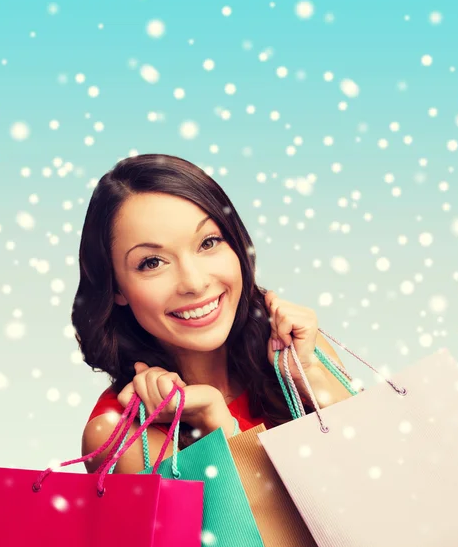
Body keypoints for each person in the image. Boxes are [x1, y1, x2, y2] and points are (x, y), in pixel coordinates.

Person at [75, 154, 353, 474]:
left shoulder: (301, 354)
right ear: (116, 289)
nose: (194, 282)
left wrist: (309, 374)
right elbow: (258, 524)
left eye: (208, 242)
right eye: (152, 262)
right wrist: (216, 423)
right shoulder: (120, 435)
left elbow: (385, 473)